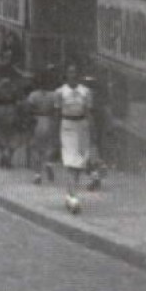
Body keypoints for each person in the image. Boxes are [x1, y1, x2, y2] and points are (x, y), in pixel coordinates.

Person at [56, 70, 95, 211]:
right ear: (66, 76)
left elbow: (89, 112)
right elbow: (57, 113)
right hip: (67, 126)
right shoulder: (60, 92)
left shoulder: (86, 92)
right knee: (70, 163)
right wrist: (55, 135)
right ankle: (73, 198)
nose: (73, 76)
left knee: (79, 164)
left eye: (75, 73)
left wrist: (92, 131)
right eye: (70, 73)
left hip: (82, 126)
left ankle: (70, 193)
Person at [26, 68, 61, 182]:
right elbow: (57, 111)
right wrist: (56, 124)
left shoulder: (33, 95)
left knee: (36, 148)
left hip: (37, 121)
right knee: (50, 146)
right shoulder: (54, 95)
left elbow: (29, 110)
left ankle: (37, 175)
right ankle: (48, 163)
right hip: (49, 120)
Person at [0, 66, 24, 169]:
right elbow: (19, 101)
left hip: (0, 110)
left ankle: (4, 154)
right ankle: (8, 158)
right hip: (11, 110)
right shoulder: (15, 86)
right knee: (12, 136)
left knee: (0, 135)